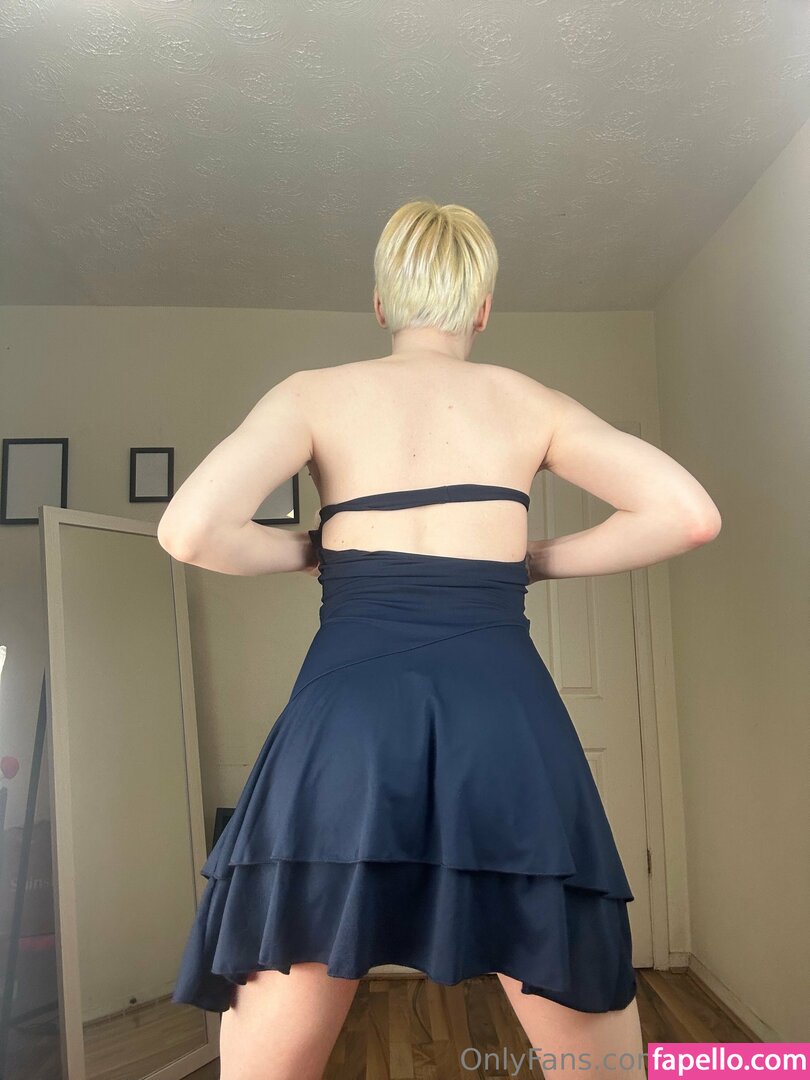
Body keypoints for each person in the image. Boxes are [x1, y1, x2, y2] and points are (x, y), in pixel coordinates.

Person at [158, 201, 721, 1080]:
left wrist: (315, 551)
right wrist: (527, 564)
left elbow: (189, 532)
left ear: (382, 304)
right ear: (483, 309)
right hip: (502, 712)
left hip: (346, 717)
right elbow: (688, 516)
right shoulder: (531, 403)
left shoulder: (312, 394)